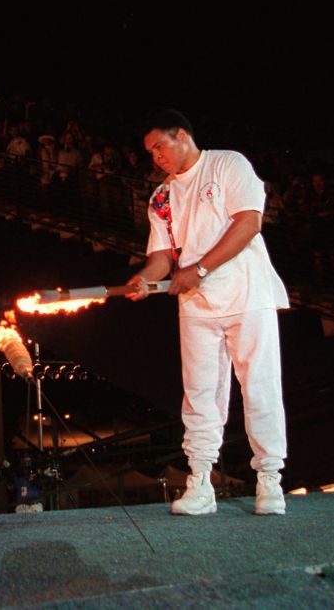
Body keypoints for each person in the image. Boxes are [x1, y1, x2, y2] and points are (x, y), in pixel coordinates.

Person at [126, 109, 289, 516]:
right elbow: (162, 256)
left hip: (248, 293)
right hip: (196, 305)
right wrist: (146, 279)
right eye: (150, 152)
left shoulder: (228, 164)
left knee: (259, 387)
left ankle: (269, 479)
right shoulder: (161, 197)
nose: (155, 157)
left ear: (182, 135)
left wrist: (198, 269)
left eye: (159, 147)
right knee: (200, 394)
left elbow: (249, 223)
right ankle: (200, 481)